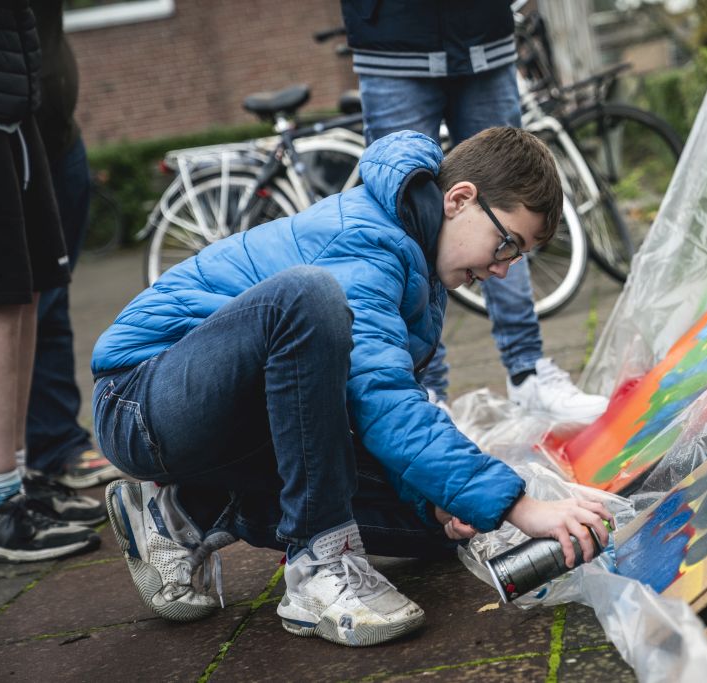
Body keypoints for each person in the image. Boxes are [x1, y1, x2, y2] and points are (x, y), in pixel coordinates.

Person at [94, 128, 613, 646]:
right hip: (141, 400)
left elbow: (368, 405)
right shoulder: (367, 240)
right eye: (507, 244)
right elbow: (384, 402)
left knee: (445, 522)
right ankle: (319, 566)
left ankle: (183, 514)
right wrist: (520, 506)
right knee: (309, 297)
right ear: (459, 200)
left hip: (237, 425)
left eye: (517, 256)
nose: (502, 268)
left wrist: (442, 500)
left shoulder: (420, 261)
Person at [342, 0, 609, 423]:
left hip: (483, 33)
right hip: (393, 38)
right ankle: (426, 392)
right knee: (405, 216)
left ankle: (527, 370)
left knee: (511, 215)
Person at [0, 0, 99, 561]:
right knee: (4, 303)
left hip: (21, 108)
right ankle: (0, 502)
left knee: (30, 293)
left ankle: (17, 479)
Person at [15, 0, 117, 529]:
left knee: (50, 300)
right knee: (15, 308)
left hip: (58, 141)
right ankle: (16, 471)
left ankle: (54, 446)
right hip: (10, 141)